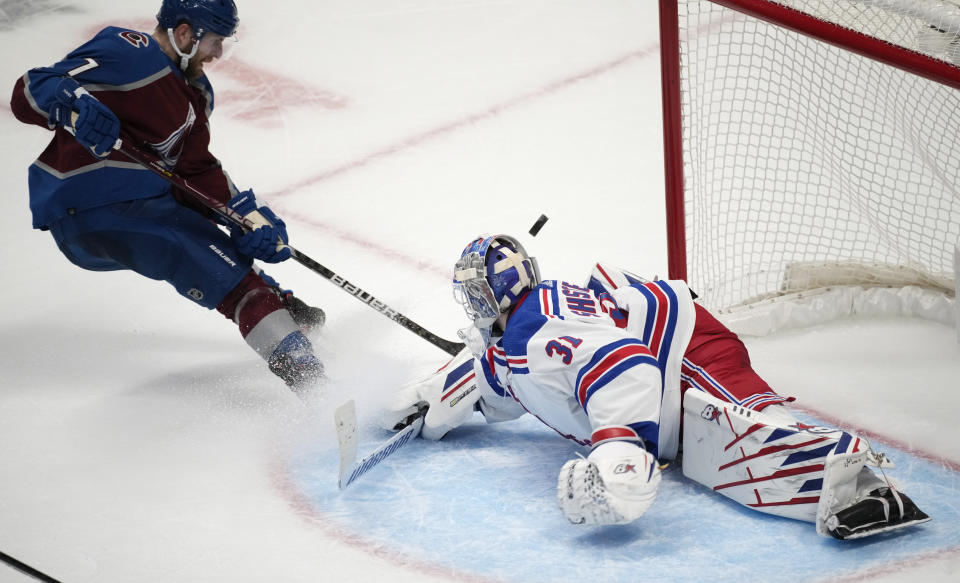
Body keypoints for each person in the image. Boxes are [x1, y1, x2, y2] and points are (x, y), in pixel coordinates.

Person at [381, 234, 931, 539]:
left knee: (746, 436)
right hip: (668, 352)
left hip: (687, 349)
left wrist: (620, 451)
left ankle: (865, 491)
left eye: (478, 293)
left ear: (504, 291)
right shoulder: (518, 331)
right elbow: (502, 377)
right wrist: (437, 398)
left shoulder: (538, 329)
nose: (472, 305)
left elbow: (627, 364)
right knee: (707, 444)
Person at [9, 0, 325, 395]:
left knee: (217, 247)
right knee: (238, 286)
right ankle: (317, 390)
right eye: (214, 41)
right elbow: (28, 91)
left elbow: (194, 172)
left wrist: (246, 218)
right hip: (95, 202)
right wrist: (71, 102)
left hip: (141, 206)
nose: (218, 53)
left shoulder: (196, 93)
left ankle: (282, 311)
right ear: (184, 33)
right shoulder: (127, 50)